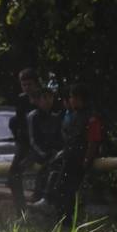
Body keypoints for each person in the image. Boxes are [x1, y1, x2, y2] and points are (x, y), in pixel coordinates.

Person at [30, 83, 104, 219]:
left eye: (72, 97)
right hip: (70, 156)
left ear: (78, 98)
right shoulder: (76, 115)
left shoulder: (91, 117)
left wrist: (87, 159)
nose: (70, 100)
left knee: (66, 191)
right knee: (61, 188)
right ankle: (59, 217)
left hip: (78, 159)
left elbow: (93, 141)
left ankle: (66, 221)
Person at [8, 67, 43, 213]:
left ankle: (40, 205)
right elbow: (19, 124)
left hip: (42, 143)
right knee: (13, 174)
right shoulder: (22, 100)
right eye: (24, 85)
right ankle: (21, 211)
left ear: (36, 84)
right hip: (25, 143)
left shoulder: (44, 98)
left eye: (30, 84)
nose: (27, 88)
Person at [25, 87, 63, 202]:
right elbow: (32, 141)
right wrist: (44, 153)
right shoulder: (33, 116)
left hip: (52, 152)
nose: (48, 101)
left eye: (50, 97)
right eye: (44, 98)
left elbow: (59, 138)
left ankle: (50, 197)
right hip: (38, 153)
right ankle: (41, 196)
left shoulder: (55, 117)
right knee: (49, 164)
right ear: (38, 100)